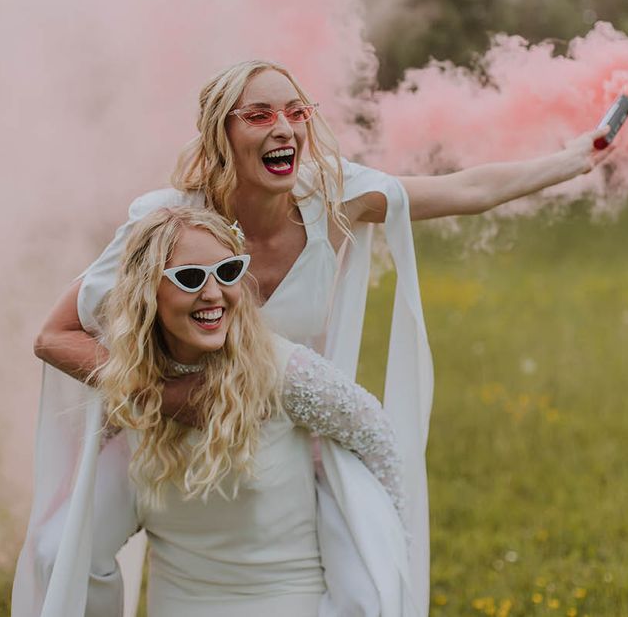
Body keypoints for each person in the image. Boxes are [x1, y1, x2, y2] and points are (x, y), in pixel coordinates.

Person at [14, 59, 612, 617]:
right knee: (61, 547)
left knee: (369, 578)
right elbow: (54, 336)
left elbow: (468, 191)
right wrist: (169, 398)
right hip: (179, 439)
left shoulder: (334, 198)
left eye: (297, 112)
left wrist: (575, 158)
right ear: (219, 132)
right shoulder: (170, 223)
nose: (285, 129)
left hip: (298, 436)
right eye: (260, 115)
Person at [95, 205, 412, 615]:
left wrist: (386, 553)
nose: (213, 293)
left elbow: (376, 436)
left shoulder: (283, 372)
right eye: (190, 278)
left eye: (227, 273)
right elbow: (85, 537)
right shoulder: (125, 389)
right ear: (147, 290)